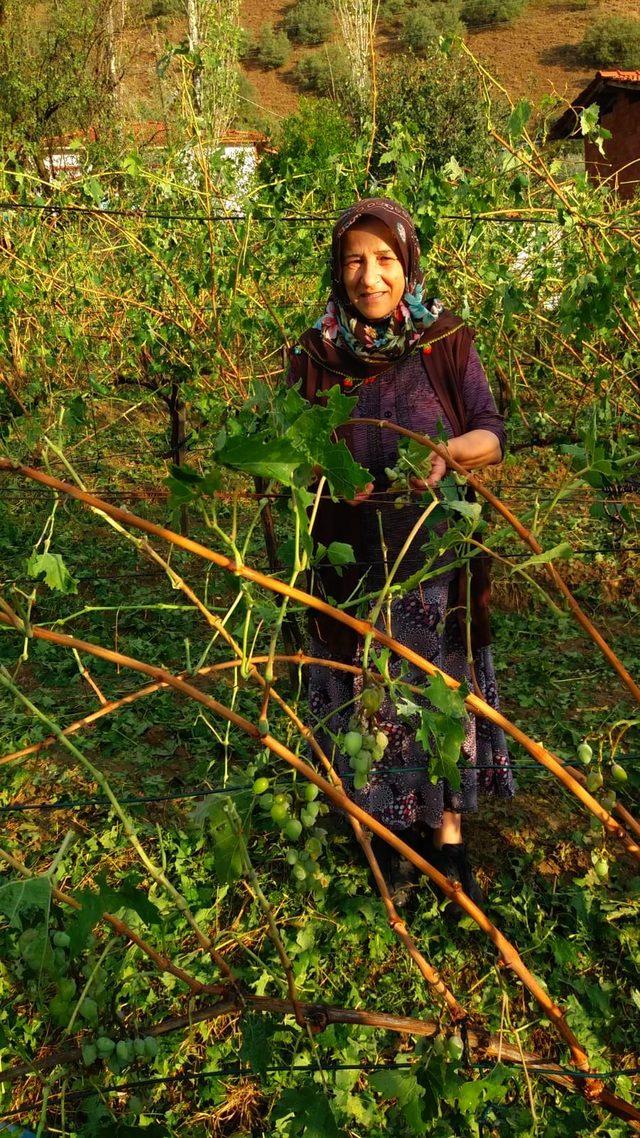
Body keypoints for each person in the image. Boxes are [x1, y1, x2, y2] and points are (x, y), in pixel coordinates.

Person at [287, 197, 515, 905]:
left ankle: (447, 842)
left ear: (407, 262)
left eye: (384, 258)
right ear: (338, 267)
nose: (370, 276)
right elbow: (295, 446)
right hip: (352, 565)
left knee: (438, 693)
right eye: (355, 259)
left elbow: (491, 434)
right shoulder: (315, 353)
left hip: (435, 562)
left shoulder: (446, 342)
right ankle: (389, 842)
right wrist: (323, 474)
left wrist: (448, 452)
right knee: (368, 698)